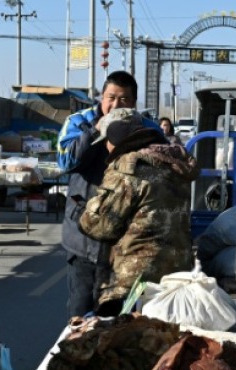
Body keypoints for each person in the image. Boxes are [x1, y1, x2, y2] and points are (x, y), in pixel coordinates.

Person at [57, 70, 160, 317]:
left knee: (115, 318)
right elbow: (66, 162)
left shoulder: (149, 130)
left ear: (134, 103)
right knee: (79, 315)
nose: (115, 105)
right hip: (83, 238)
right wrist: (95, 132)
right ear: (101, 98)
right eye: (110, 98)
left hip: (126, 245)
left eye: (123, 100)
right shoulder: (78, 122)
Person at [78, 108, 199, 316]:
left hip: (135, 280)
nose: (106, 147)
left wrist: (86, 209)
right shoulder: (172, 162)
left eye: (106, 141)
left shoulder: (128, 168)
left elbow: (100, 226)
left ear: (115, 139)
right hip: (177, 271)